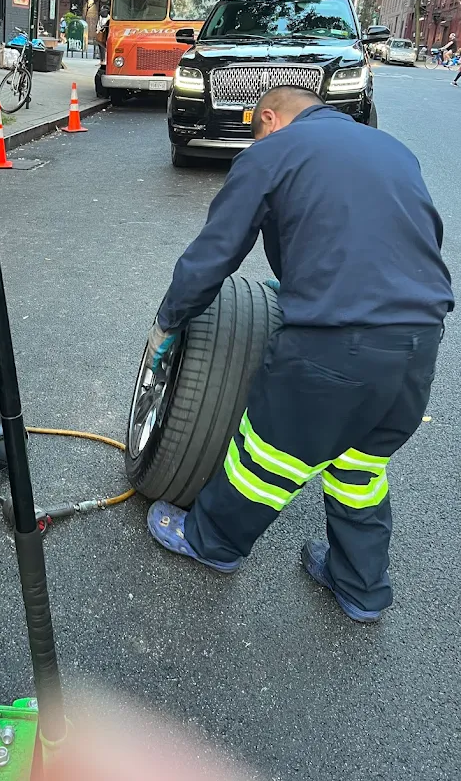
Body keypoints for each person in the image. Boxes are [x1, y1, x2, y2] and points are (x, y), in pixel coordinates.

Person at [146, 86, 453, 623]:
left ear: (270, 118)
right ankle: (360, 586)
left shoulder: (272, 152)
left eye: (256, 130)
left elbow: (214, 254)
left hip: (334, 346)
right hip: (418, 343)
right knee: (360, 466)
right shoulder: (390, 150)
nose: (255, 140)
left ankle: (211, 541)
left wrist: (169, 320)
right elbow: (411, 238)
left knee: (265, 454)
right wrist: (303, 283)